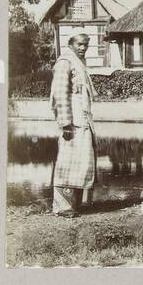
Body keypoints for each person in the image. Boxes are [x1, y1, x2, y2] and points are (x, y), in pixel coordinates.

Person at [49, 33, 97, 217]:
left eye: (86, 45)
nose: (83, 48)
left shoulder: (79, 64)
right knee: (67, 162)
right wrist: (66, 123)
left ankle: (74, 205)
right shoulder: (64, 63)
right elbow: (60, 94)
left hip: (83, 119)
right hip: (72, 122)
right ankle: (62, 207)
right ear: (70, 44)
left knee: (82, 161)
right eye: (79, 44)